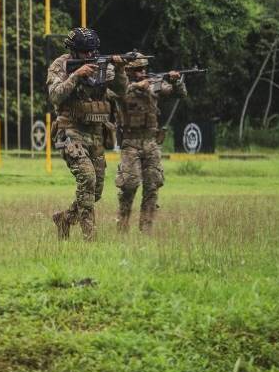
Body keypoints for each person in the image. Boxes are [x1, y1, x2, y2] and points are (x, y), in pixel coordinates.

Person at [46, 28, 128, 240]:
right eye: (85, 52)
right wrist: (76, 75)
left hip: (95, 134)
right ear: (73, 52)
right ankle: (90, 239)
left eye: (93, 51)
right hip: (70, 132)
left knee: (96, 191)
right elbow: (55, 96)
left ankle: (65, 218)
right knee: (88, 179)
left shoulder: (101, 64)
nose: (90, 56)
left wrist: (119, 70)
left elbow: (121, 91)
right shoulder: (60, 65)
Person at [116, 57, 187, 234]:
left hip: (151, 142)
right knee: (129, 184)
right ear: (129, 72)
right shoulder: (121, 85)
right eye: (138, 70)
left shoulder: (154, 85)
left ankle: (146, 228)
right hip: (130, 142)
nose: (142, 73)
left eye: (144, 69)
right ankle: (122, 225)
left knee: (152, 185)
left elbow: (179, 94)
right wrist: (136, 86)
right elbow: (114, 92)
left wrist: (175, 80)